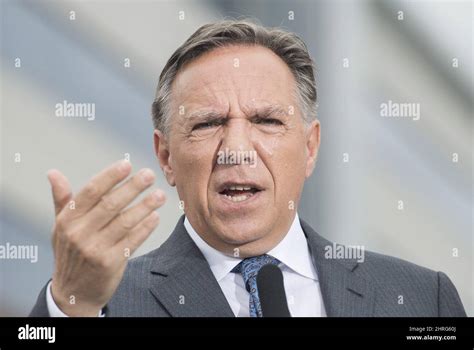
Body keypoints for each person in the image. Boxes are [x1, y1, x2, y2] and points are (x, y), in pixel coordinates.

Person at [30, 19, 466, 317]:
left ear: (310, 147)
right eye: (208, 123)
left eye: (266, 121)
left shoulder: (422, 299)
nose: (236, 150)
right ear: (166, 157)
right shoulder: (102, 303)